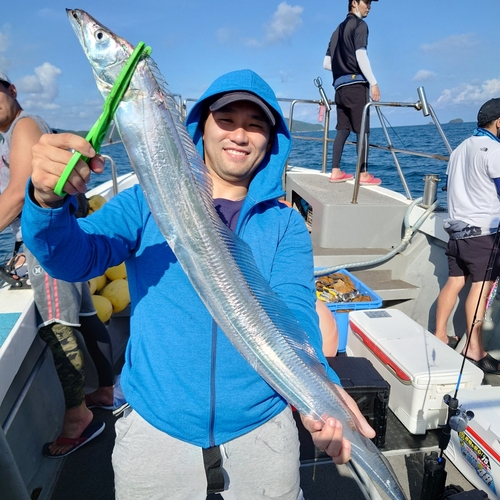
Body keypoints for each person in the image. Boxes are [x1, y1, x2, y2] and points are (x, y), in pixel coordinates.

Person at [23, 69, 374, 499]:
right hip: (156, 420)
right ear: (200, 127)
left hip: (261, 421)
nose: (240, 135)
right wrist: (47, 201)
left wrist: (319, 387)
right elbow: (71, 257)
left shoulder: (284, 224)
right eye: (227, 119)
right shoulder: (147, 201)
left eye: (256, 124)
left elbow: (295, 311)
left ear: (272, 141)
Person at [0, 70, 114, 458]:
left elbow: (18, 195)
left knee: (56, 327)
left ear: (12, 91)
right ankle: (106, 390)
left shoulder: (23, 127)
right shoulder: (15, 131)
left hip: (44, 238)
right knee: (83, 314)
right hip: (63, 232)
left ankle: (77, 418)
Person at [434, 98, 500, 374]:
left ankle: (439, 335)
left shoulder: (460, 148)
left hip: (457, 231)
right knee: (481, 289)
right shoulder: (494, 150)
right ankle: (475, 349)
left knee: (455, 282)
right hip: (483, 235)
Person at [324, 0, 381, 185]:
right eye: (366, 2)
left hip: (339, 88)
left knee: (342, 130)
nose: (369, 6)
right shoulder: (360, 25)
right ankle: (363, 174)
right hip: (356, 85)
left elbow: (326, 64)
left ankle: (335, 171)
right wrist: (373, 83)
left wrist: (341, 67)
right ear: (354, 3)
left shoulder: (335, 32)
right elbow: (361, 55)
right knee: (362, 131)